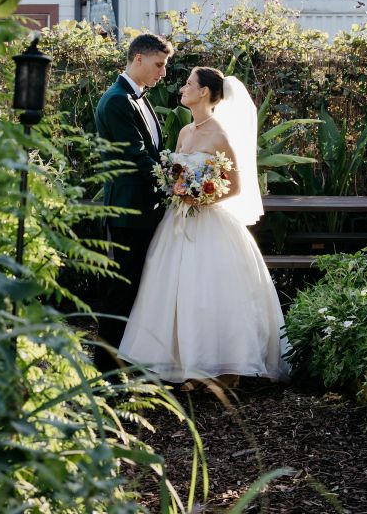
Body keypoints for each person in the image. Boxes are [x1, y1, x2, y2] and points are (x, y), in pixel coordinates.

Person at [119, 67, 289, 384]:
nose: (182, 88)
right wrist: (175, 187)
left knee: (211, 292)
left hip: (210, 222)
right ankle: (187, 365)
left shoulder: (220, 134)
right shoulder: (184, 132)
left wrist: (202, 198)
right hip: (177, 222)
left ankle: (225, 368)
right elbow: (175, 175)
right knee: (177, 292)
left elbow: (235, 186)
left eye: (188, 84)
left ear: (205, 93)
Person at [93, 32, 173, 373]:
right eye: (159, 64)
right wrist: (176, 184)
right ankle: (106, 370)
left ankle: (124, 363)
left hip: (145, 211)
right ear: (138, 59)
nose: (163, 73)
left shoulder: (138, 98)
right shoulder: (116, 101)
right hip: (128, 213)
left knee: (137, 288)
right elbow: (137, 157)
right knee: (122, 290)